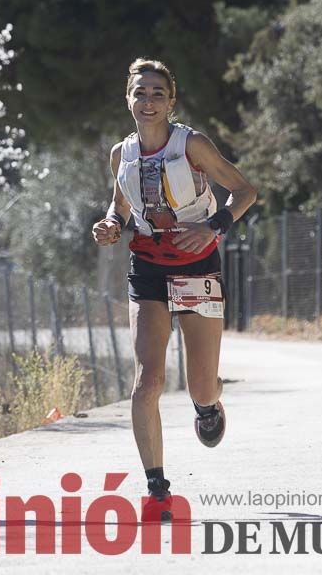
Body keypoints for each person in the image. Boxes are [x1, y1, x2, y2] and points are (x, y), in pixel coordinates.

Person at [91, 58, 256, 519]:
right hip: (147, 267)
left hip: (197, 263)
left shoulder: (192, 145)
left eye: (157, 94)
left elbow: (244, 191)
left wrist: (213, 228)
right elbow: (122, 204)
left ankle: (208, 406)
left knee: (199, 385)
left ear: (171, 102)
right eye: (140, 93)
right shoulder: (120, 154)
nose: (148, 102)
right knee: (148, 381)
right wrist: (110, 224)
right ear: (128, 98)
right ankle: (156, 490)